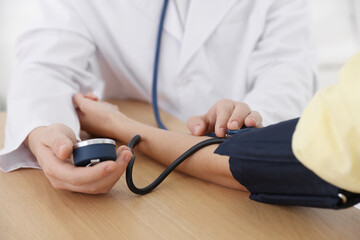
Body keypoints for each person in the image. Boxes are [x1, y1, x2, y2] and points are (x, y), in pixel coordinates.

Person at [0, 0, 317, 194]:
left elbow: (289, 68)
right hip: (144, 161)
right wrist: (43, 128)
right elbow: (46, 63)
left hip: (237, 173)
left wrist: (254, 111)